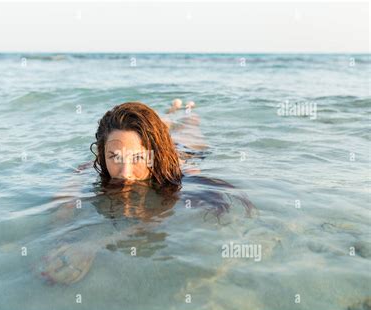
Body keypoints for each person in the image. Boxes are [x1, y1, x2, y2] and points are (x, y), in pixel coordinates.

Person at [39, 101, 254, 284]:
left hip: (188, 151)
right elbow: (67, 200)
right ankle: (170, 112)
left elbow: (156, 218)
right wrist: (59, 231)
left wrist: (92, 245)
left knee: (189, 127)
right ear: (102, 153)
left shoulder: (176, 175)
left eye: (137, 158)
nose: (125, 173)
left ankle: (187, 110)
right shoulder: (97, 165)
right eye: (114, 157)